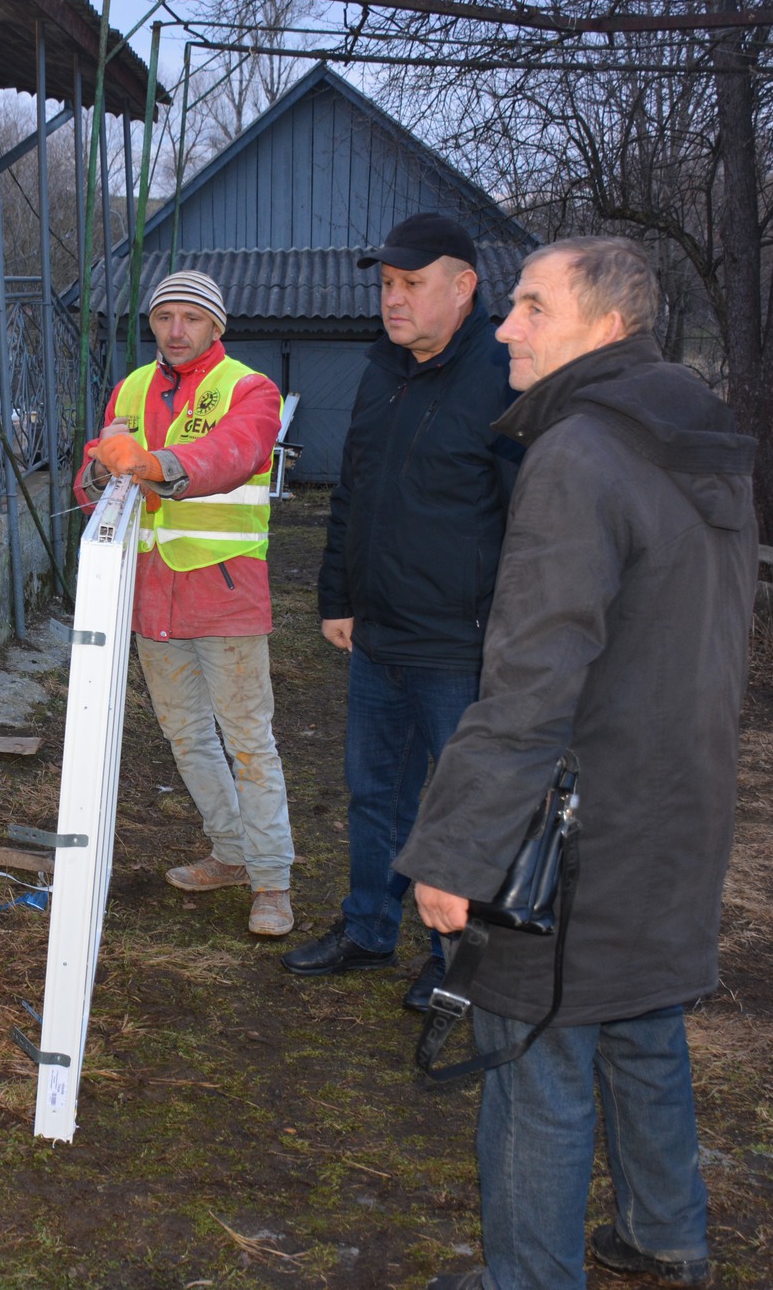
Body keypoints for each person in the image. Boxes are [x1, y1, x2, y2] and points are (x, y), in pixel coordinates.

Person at [404, 237, 757, 1290]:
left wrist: (456, 851)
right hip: (679, 801)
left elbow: (528, 685)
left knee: (533, 1055)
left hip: (576, 823)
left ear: (605, 326)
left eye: (528, 307)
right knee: (640, 1018)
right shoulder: (694, 438)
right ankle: (663, 1238)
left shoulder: (577, 454)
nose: (504, 327)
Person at [283, 213, 521, 1009]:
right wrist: (338, 599)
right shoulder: (382, 370)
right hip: (379, 635)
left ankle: (454, 957)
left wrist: (508, 635)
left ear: (464, 287)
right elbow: (352, 491)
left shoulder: (505, 374)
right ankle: (368, 927)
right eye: (386, 284)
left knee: (460, 806)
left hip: (461, 644)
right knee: (373, 791)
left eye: (412, 284)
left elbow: (529, 519)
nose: (393, 300)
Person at [75, 270, 295, 936]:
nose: (176, 330)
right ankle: (231, 853)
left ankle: (272, 879)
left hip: (224, 594)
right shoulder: (133, 387)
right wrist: (99, 469)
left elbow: (233, 453)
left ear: (215, 326)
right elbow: (98, 484)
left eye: (190, 318)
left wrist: (151, 464)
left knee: (249, 741)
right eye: (165, 316)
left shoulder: (250, 388)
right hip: (152, 594)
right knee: (187, 736)